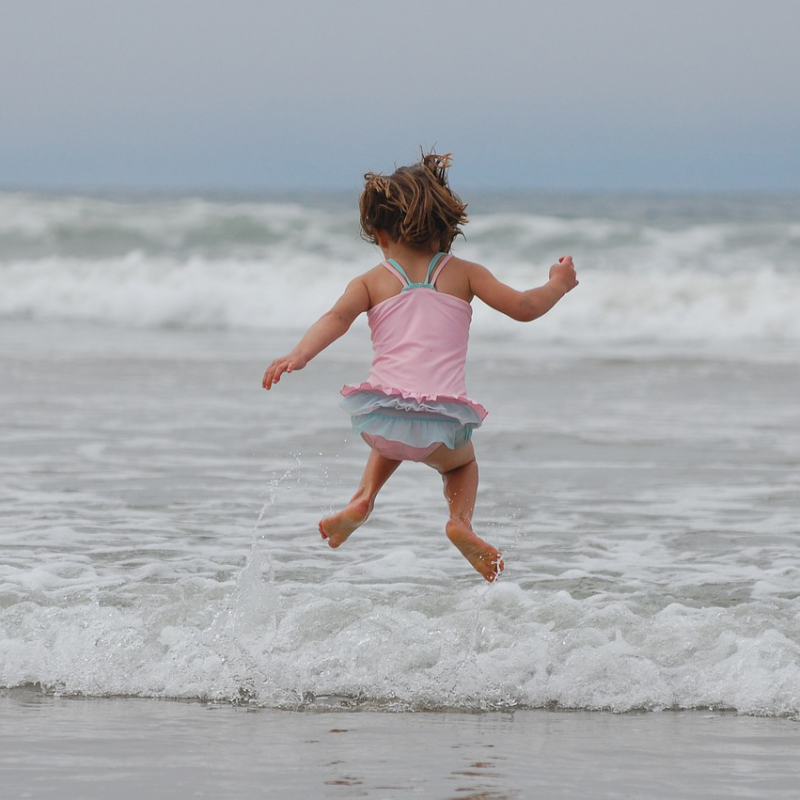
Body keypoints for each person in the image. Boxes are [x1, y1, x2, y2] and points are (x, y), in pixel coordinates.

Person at [262, 153, 578, 582]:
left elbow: (335, 319)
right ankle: (460, 523)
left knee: (394, 428)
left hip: (381, 416)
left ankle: (362, 500)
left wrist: (297, 355)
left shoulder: (371, 281)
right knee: (461, 466)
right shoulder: (465, 274)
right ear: (447, 227)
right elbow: (524, 308)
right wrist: (557, 285)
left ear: (379, 233)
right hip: (442, 422)